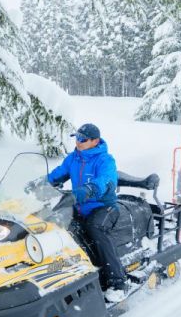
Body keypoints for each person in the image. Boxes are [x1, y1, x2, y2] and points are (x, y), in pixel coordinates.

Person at [46, 123, 127, 303]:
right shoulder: (73, 158)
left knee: (95, 228)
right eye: (77, 138)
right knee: (54, 223)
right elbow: (56, 175)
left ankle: (117, 281)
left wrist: (88, 190)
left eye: (82, 139)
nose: (78, 142)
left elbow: (106, 181)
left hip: (103, 205)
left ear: (95, 141)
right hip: (79, 205)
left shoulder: (105, 160)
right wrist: (37, 184)